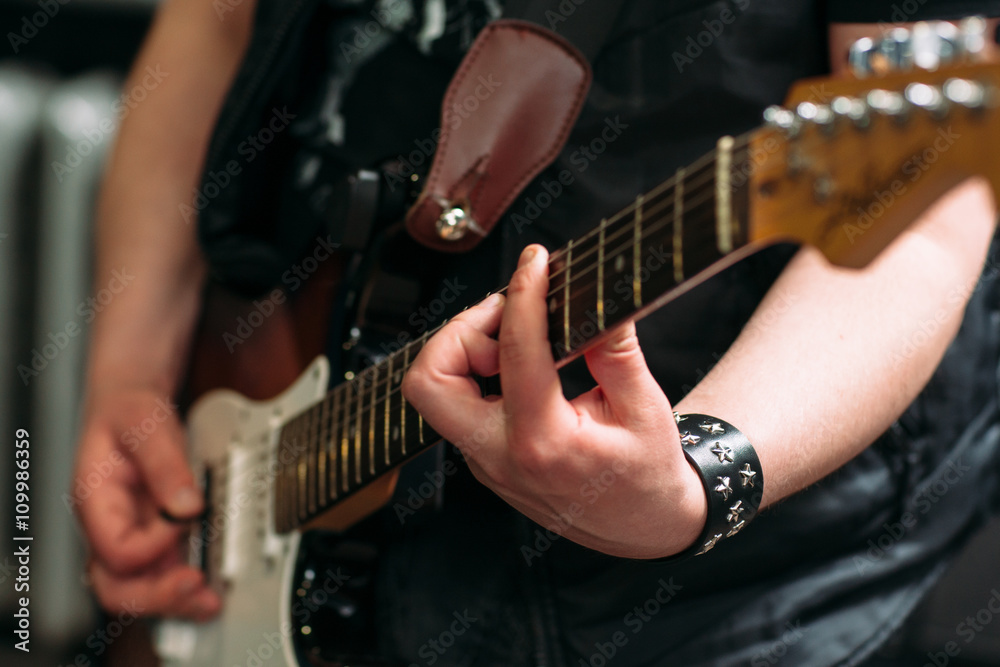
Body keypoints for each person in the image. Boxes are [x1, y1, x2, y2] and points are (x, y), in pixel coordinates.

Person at [74, 0, 1000, 664]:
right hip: (280, 389)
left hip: (719, 592)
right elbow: (212, 24)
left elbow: (922, 201)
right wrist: (127, 369)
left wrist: (704, 475)